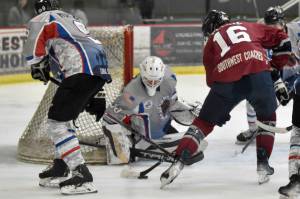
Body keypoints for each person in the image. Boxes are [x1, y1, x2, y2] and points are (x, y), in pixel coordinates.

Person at [159, 9, 292, 189]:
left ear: (210, 28)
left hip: (226, 81)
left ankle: (177, 163)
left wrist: (221, 109)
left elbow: (212, 82)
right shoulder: (249, 26)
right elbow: (282, 37)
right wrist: (275, 69)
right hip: (258, 73)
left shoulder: (209, 46)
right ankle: (263, 165)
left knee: (203, 123)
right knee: (267, 118)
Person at [23, 0, 111, 195]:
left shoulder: (45, 17)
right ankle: (61, 166)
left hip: (80, 70)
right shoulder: (71, 19)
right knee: (66, 118)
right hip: (97, 68)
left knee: (57, 123)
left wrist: (36, 63)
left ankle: (82, 175)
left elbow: (35, 44)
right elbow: (81, 48)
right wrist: (97, 94)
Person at [102, 56, 200, 164]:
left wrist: (188, 109)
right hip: (138, 133)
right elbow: (109, 117)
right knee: (123, 158)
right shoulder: (131, 92)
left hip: (157, 126)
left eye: (156, 80)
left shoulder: (168, 82)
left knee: (183, 138)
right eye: (149, 80)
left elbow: (172, 104)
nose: (152, 83)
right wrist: (120, 140)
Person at [236, 6, 289, 145]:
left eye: (275, 24)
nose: (272, 27)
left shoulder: (291, 34)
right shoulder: (262, 35)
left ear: (282, 22)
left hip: (289, 75)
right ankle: (254, 129)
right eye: (269, 24)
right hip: (270, 75)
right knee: (252, 101)